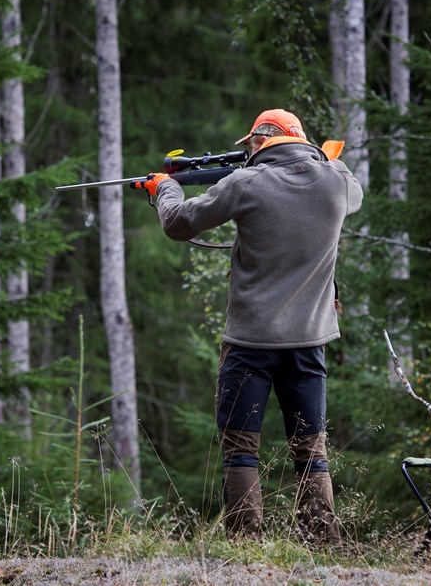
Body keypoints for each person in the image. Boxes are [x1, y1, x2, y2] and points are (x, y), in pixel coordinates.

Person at [131, 109, 363, 544]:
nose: (247, 151)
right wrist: (321, 157)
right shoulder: (338, 183)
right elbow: (344, 175)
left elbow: (178, 223)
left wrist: (164, 188)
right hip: (310, 343)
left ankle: (246, 548)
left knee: (241, 449)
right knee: (311, 450)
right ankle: (321, 544)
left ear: (260, 140)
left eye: (250, 145)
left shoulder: (244, 184)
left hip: (249, 343)